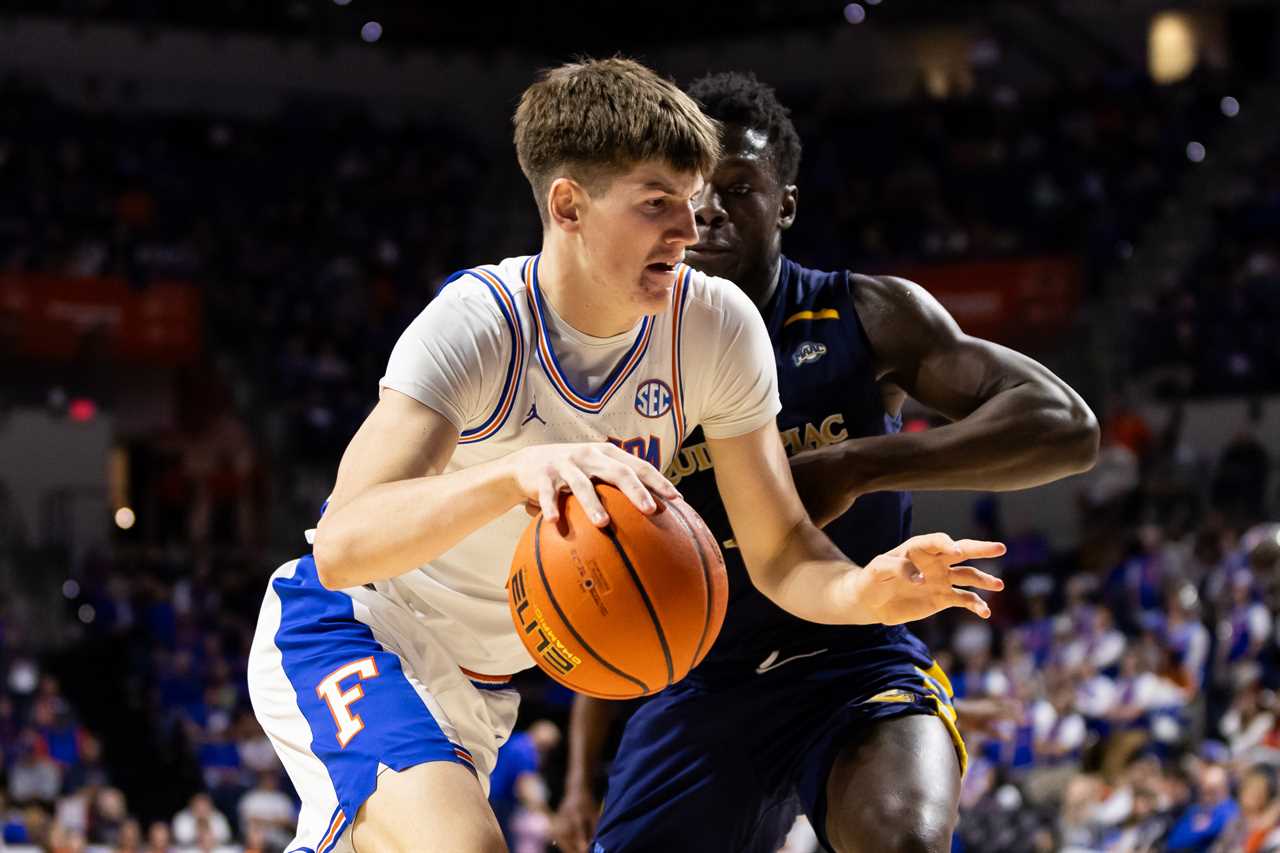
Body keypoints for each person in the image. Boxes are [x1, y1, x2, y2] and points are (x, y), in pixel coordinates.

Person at [246, 58, 1004, 853]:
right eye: (657, 205)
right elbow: (340, 546)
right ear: (568, 204)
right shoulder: (479, 325)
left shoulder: (715, 327)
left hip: (483, 683)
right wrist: (510, 476)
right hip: (356, 624)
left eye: (694, 197)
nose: (690, 226)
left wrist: (864, 588)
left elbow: (779, 549)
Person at [552, 72, 1099, 853]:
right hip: (704, 680)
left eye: (738, 187)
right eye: (690, 189)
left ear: (785, 204)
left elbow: (1065, 425)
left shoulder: (863, 314)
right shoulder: (619, 361)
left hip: (858, 651)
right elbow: (611, 578)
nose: (708, 209)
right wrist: (579, 778)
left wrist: (857, 465)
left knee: (901, 837)